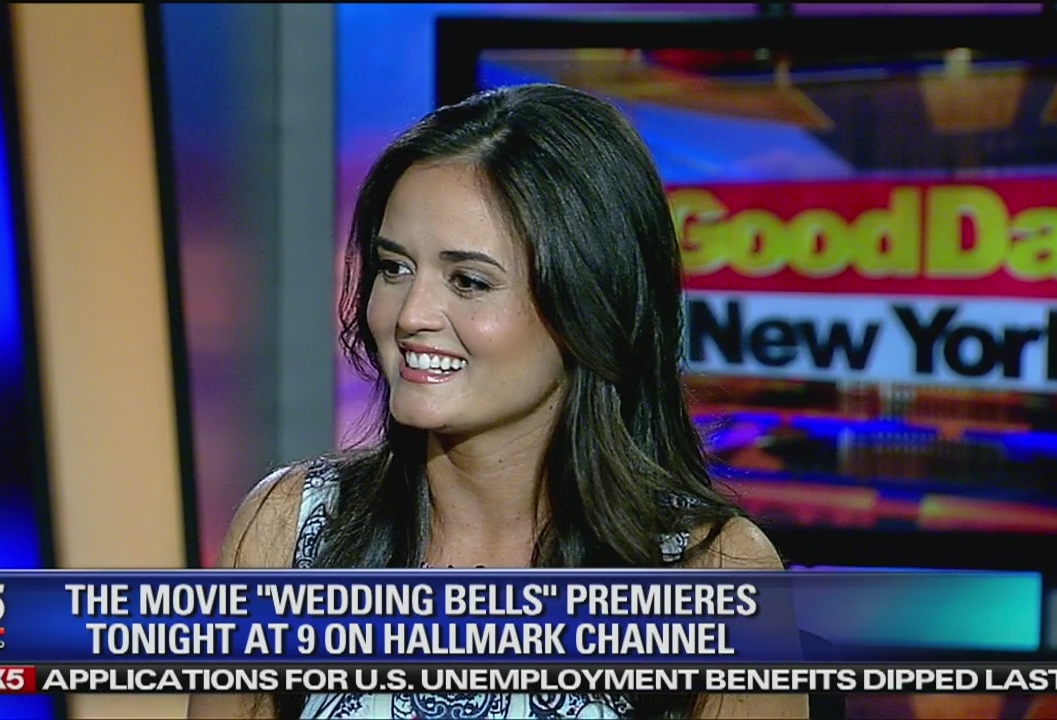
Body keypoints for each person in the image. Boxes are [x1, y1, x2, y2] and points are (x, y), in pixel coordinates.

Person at [189, 83, 808, 720]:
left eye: (468, 281)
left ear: (588, 304)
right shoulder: (293, 531)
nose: (411, 314)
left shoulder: (716, 573)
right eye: (395, 267)